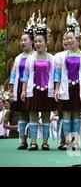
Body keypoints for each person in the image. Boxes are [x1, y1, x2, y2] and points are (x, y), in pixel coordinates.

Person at [20, 12, 56, 151]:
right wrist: (23, 90)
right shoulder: (30, 58)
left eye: (40, 41)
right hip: (33, 89)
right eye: (36, 41)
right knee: (33, 115)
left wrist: (55, 90)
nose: (38, 44)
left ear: (47, 42)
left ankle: (45, 142)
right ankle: (33, 142)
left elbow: (55, 76)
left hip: (47, 89)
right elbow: (26, 75)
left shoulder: (52, 58)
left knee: (46, 115)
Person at [54, 13, 81, 151]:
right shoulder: (62, 56)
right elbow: (58, 74)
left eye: (71, 38)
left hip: (77, 88)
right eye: (66, 38)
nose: (68, 40)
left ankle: (76, 141)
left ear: (77, 38)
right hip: (65, 87)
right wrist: (56, 89)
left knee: (76, 114)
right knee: (66, 114)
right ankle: (66, 141)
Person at [8, 14, 34, 149]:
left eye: (25, 40)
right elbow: (13, 74)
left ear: (32, 42)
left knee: (32, 114)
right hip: (19, 88)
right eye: (21, 40)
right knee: (22, 115)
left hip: (32, 88)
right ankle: (23, 141)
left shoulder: (36, 56)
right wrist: (11, 90)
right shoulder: (18, 58)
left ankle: (34, 141)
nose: (22, 42)